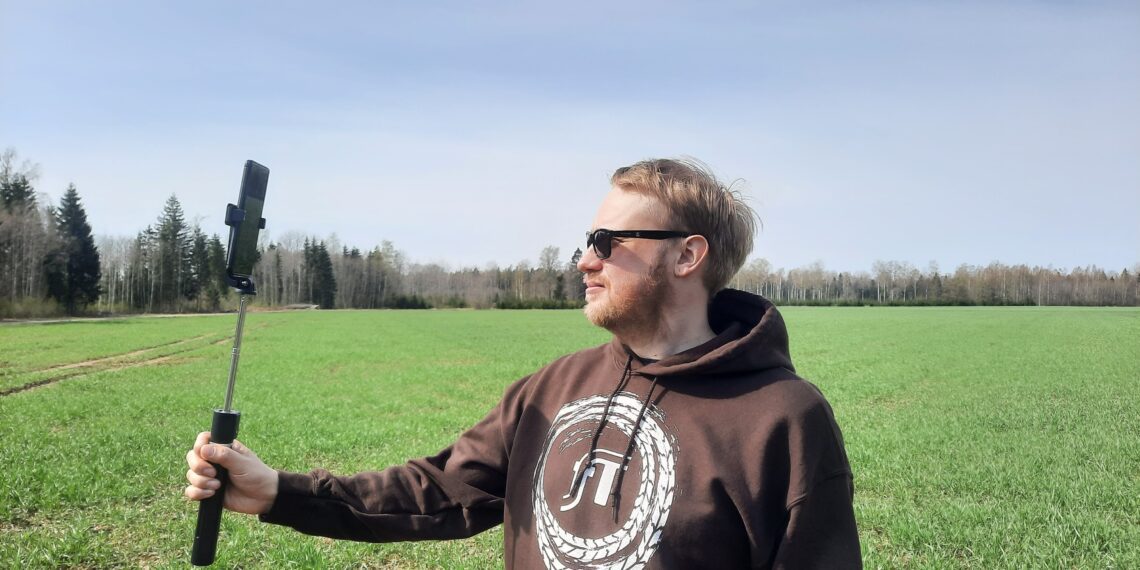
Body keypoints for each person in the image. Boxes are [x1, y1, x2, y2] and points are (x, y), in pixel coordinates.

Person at [185, 158, 861, 568]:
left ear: (686, 256)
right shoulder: (555, 388)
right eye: (585, 240)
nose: (584, 259)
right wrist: (280, 491)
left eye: (607, 240)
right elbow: (441, 492)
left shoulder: (783, 419)